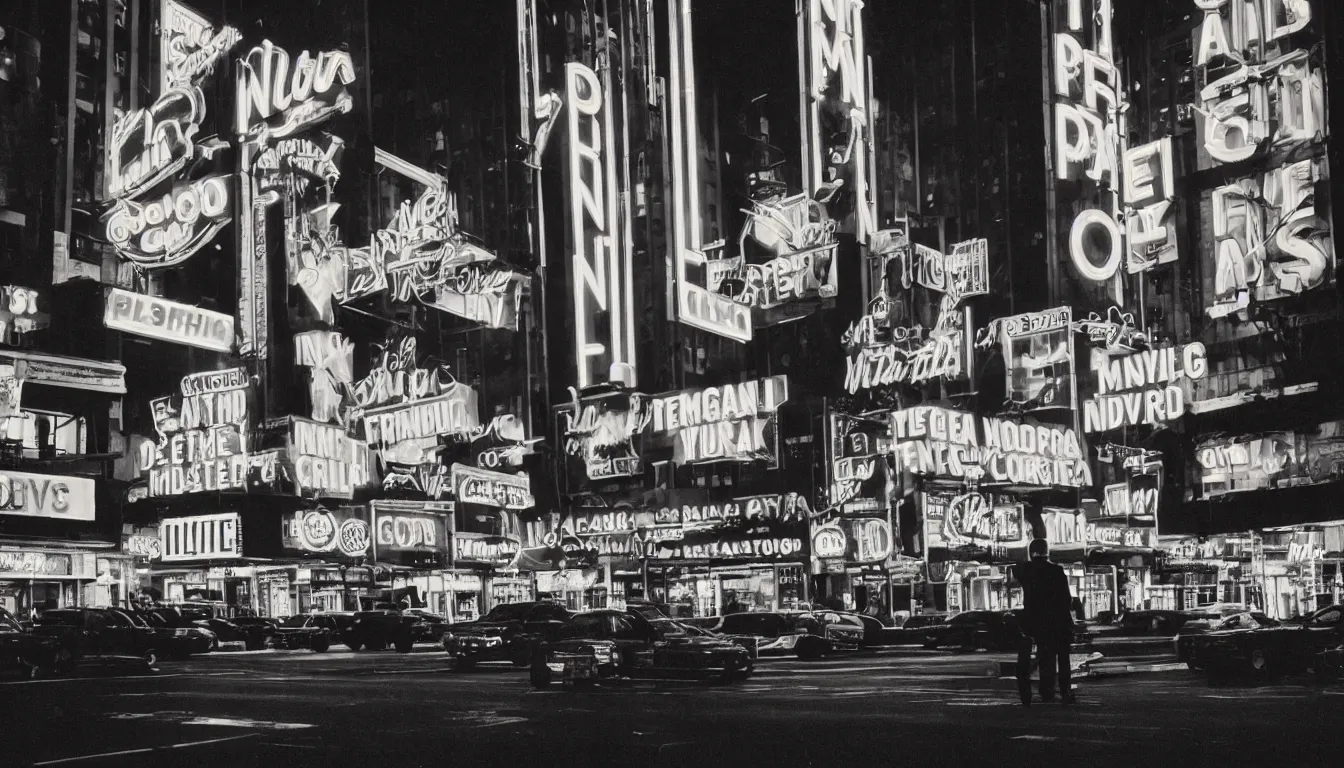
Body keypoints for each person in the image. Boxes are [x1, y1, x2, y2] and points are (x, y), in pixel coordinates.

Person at [1018, 538, 1076, 705]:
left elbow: (1018, 570)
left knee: (1046, 659)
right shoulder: (1056, 571)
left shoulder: (1027, 572)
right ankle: (1065, 692)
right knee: (1063, 660)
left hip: (1040, 624)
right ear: (1047, 552)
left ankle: (1047, 691)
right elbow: (1066, 599)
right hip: (1060, 622)